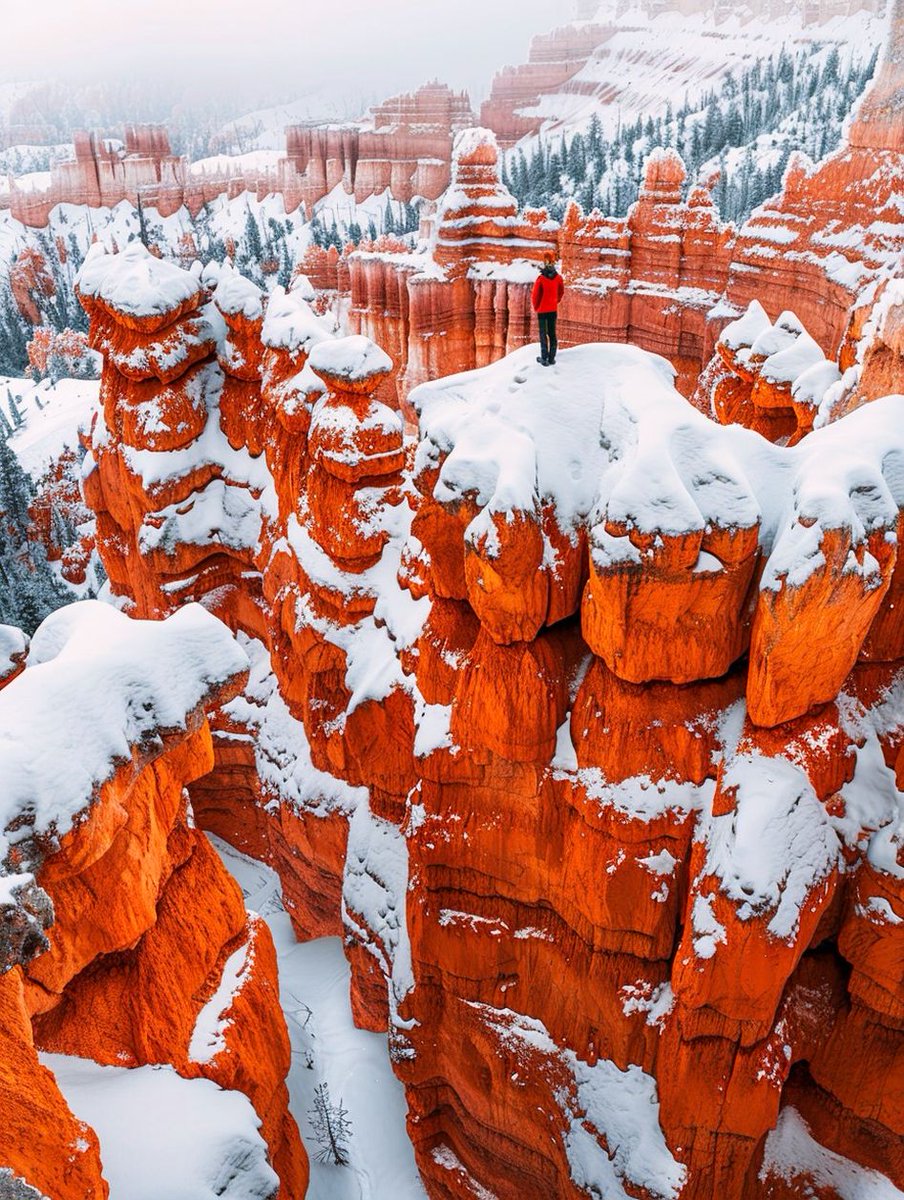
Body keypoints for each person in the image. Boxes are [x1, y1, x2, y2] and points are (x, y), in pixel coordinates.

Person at [531, 253, 565, 366]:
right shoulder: (558, 278)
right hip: (553, 310)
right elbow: (561, 292)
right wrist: (555, 302)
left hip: (542, 311)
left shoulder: (541, 279)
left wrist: (537, 307)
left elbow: (535, 296)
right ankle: (551, 358)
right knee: (552, 334)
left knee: (543, 334)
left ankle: (544, 358)